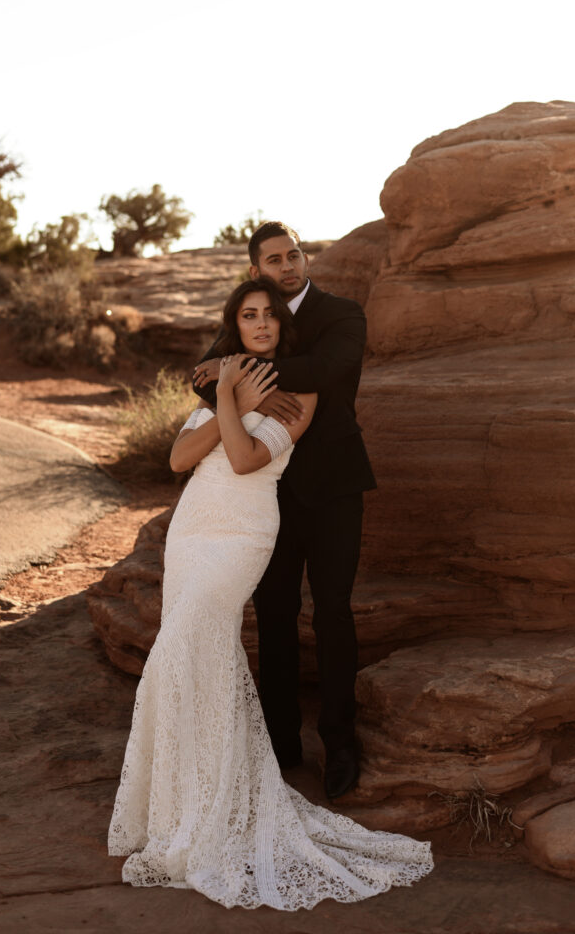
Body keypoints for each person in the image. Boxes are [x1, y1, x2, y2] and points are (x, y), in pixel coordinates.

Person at [109, 278, 433, 910]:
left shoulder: (302, 391)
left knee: (182, 647)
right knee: (194, 655)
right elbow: (180, 460)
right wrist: (226, 390)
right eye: (248, 315)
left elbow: (242, 458)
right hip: (194, 528)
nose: (260, 324)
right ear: (236, 323)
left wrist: (228, 394)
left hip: (243, 532)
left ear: (285, 328)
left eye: (270, 317)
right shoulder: (226, 378)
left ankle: (214, 806)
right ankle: (178, 804)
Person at [194, 221, 376, 800]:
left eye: (294, 254)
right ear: (257, 272)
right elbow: (200, 380)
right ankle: (280, 741)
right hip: (265, 495)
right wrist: (228, 376)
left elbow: (328, 371)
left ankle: (340, 742)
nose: (288, 265)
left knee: (333, 615)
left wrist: (237, 374)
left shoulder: (342, 313)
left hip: (333, 487)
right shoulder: (249, 317)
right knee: (272, 618)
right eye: (274, 259)